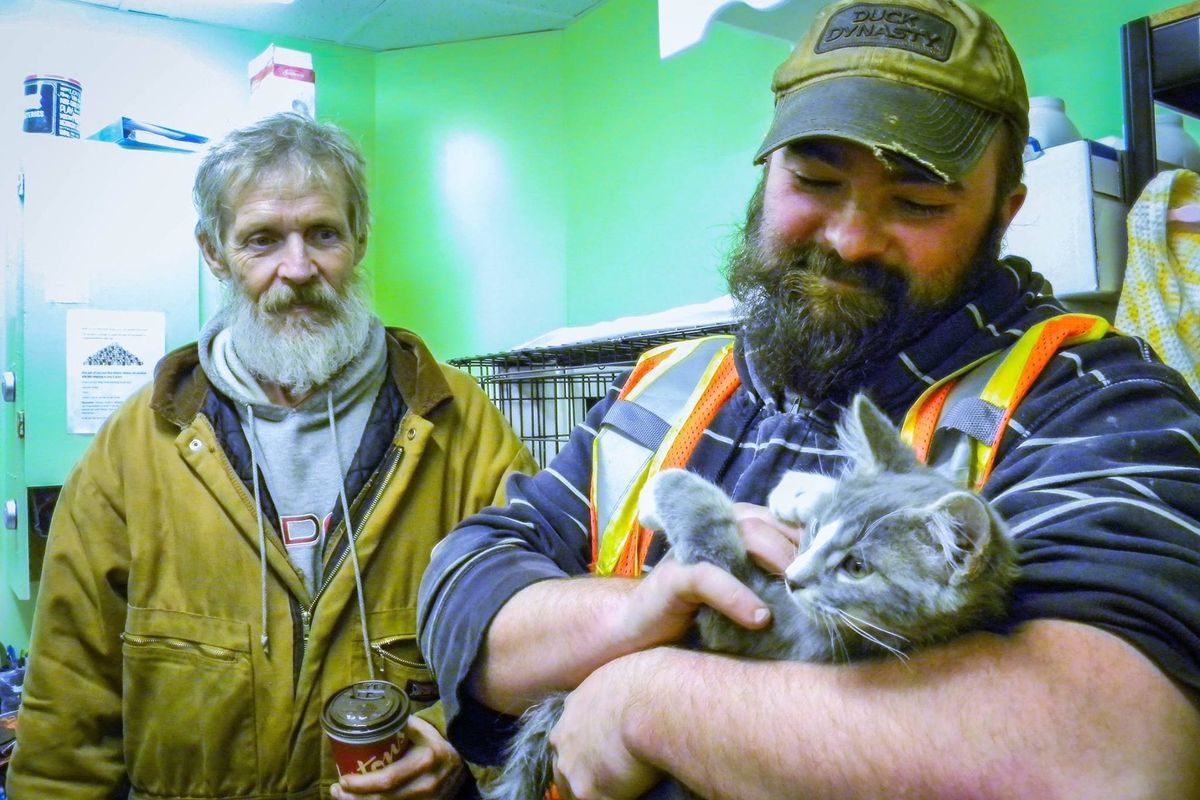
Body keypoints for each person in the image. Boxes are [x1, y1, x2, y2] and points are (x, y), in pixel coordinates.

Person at [418, 0, 1200, 797]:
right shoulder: (665, 385)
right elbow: (461, 591)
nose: (850, 238)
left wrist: (651, 700)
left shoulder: (1098, 404)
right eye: (817, 180)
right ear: (766, 174)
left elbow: (1114, 756)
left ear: (1005, 212)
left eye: (919, 202)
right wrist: (638, 613)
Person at [8, 113, 536, 800]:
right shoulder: (132, 451)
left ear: (359, 237)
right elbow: (67, 719)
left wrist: (456, 749)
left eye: (323, 233)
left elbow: (535, 654)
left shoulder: (462, 429)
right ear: (214, 252)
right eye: (262, 239)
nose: (299, 268)